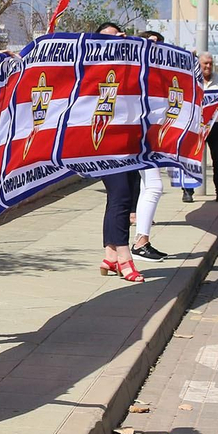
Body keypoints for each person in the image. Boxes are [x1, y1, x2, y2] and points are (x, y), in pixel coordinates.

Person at [93, 23, 145, 283]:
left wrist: (130, 44)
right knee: (121, 196)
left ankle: (110, 255)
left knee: (122, 194)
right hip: (103, 141)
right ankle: (125, 257)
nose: (112, 42)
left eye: (116, 37)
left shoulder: (127, 66)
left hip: (129, 140)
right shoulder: (91, 68)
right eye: (106, 38)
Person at [132, 30, 170, 261]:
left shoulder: (158, 73)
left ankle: (140, 241)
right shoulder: (136, 70)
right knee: (153, 186)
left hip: (152, 136)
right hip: (139, 136)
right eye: (150, 43)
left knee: (149, 187)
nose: (154, 48)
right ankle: (139, 242)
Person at [185, 50, 218, 204]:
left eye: (210, 63)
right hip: (195, 126)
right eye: (205, 63)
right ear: (199, 64)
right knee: (191, 160)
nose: (208, 66)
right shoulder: (190, 78)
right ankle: (188, 191)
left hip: (216, 126)